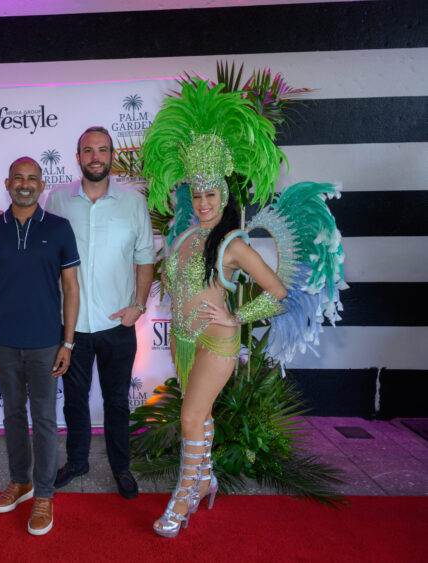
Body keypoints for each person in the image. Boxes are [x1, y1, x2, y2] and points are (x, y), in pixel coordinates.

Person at [140, 79, 345, 537]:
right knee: (203, 414)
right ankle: (207, 477)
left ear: (225, 196)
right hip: (185, 340)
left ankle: (184, 495)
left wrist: (236, 317)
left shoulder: (233, 242)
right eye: (197, 193)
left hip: (216, 341)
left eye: (211, 193)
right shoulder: (188, 236)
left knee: (190, 416)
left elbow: (278, 292)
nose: (204, 201)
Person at [45, 126, 155, 499]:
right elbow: (46, 261)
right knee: (74, 400)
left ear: (111, 156)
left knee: (116, 401)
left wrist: (138, 306)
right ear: (77, 157)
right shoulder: (56, 201)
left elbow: (144, 258)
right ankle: (77, 461)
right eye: (88, 150)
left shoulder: (133, 203)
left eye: (103, 150)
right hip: (71, 326)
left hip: (116, 323)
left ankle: (121, 467)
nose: (95, 157)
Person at [0, 157, 80, 536]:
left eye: (32, 178)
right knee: (13, 417)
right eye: (18, 177)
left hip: (46, 343)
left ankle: (45, 494)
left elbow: (70, 288)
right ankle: (21, 483)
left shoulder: (60, 228)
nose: (25, 184)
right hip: (2, 343)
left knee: (46, 420)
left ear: (41, 184)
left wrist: (68, 341)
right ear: (7, 183)